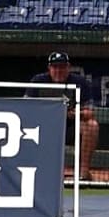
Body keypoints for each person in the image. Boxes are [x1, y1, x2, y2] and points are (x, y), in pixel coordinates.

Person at [26, 52, 99, 180]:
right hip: (43, 128)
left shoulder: (80, 83)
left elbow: (90, 112)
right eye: (55, 67)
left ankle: (83, 173)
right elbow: (25, 107)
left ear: (68, 67)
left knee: (92, 126)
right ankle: (33, 169)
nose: (58, 70)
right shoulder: (38, 81)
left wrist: (75, 114)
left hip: (70, 128)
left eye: (62, 67)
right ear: (49, 68)